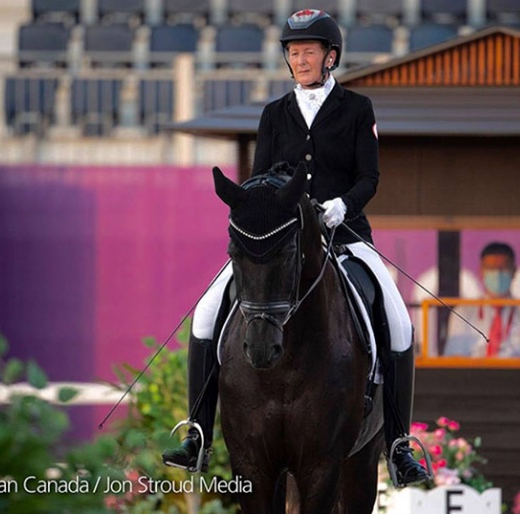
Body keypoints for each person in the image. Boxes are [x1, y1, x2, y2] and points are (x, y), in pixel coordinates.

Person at [162, 9, 430, 487]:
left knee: (401, 323)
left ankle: (397, 444)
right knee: (206, 313)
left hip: (344, 237)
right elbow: (262, 177)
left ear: (330, 57)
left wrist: (340, 207)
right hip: (281, 240)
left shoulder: (356, 109)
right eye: (293, 52)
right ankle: (198, 433)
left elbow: (369, 177)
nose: (300, 59)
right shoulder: (274, 114)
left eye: (308, 51)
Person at [445, 242, 520, 357]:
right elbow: (454, 360)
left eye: (503, 269)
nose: (497, 274)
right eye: (491, 269)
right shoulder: (463, 313)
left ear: (514, 271)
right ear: (481, 272)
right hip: (475, 374)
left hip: (517, 374)